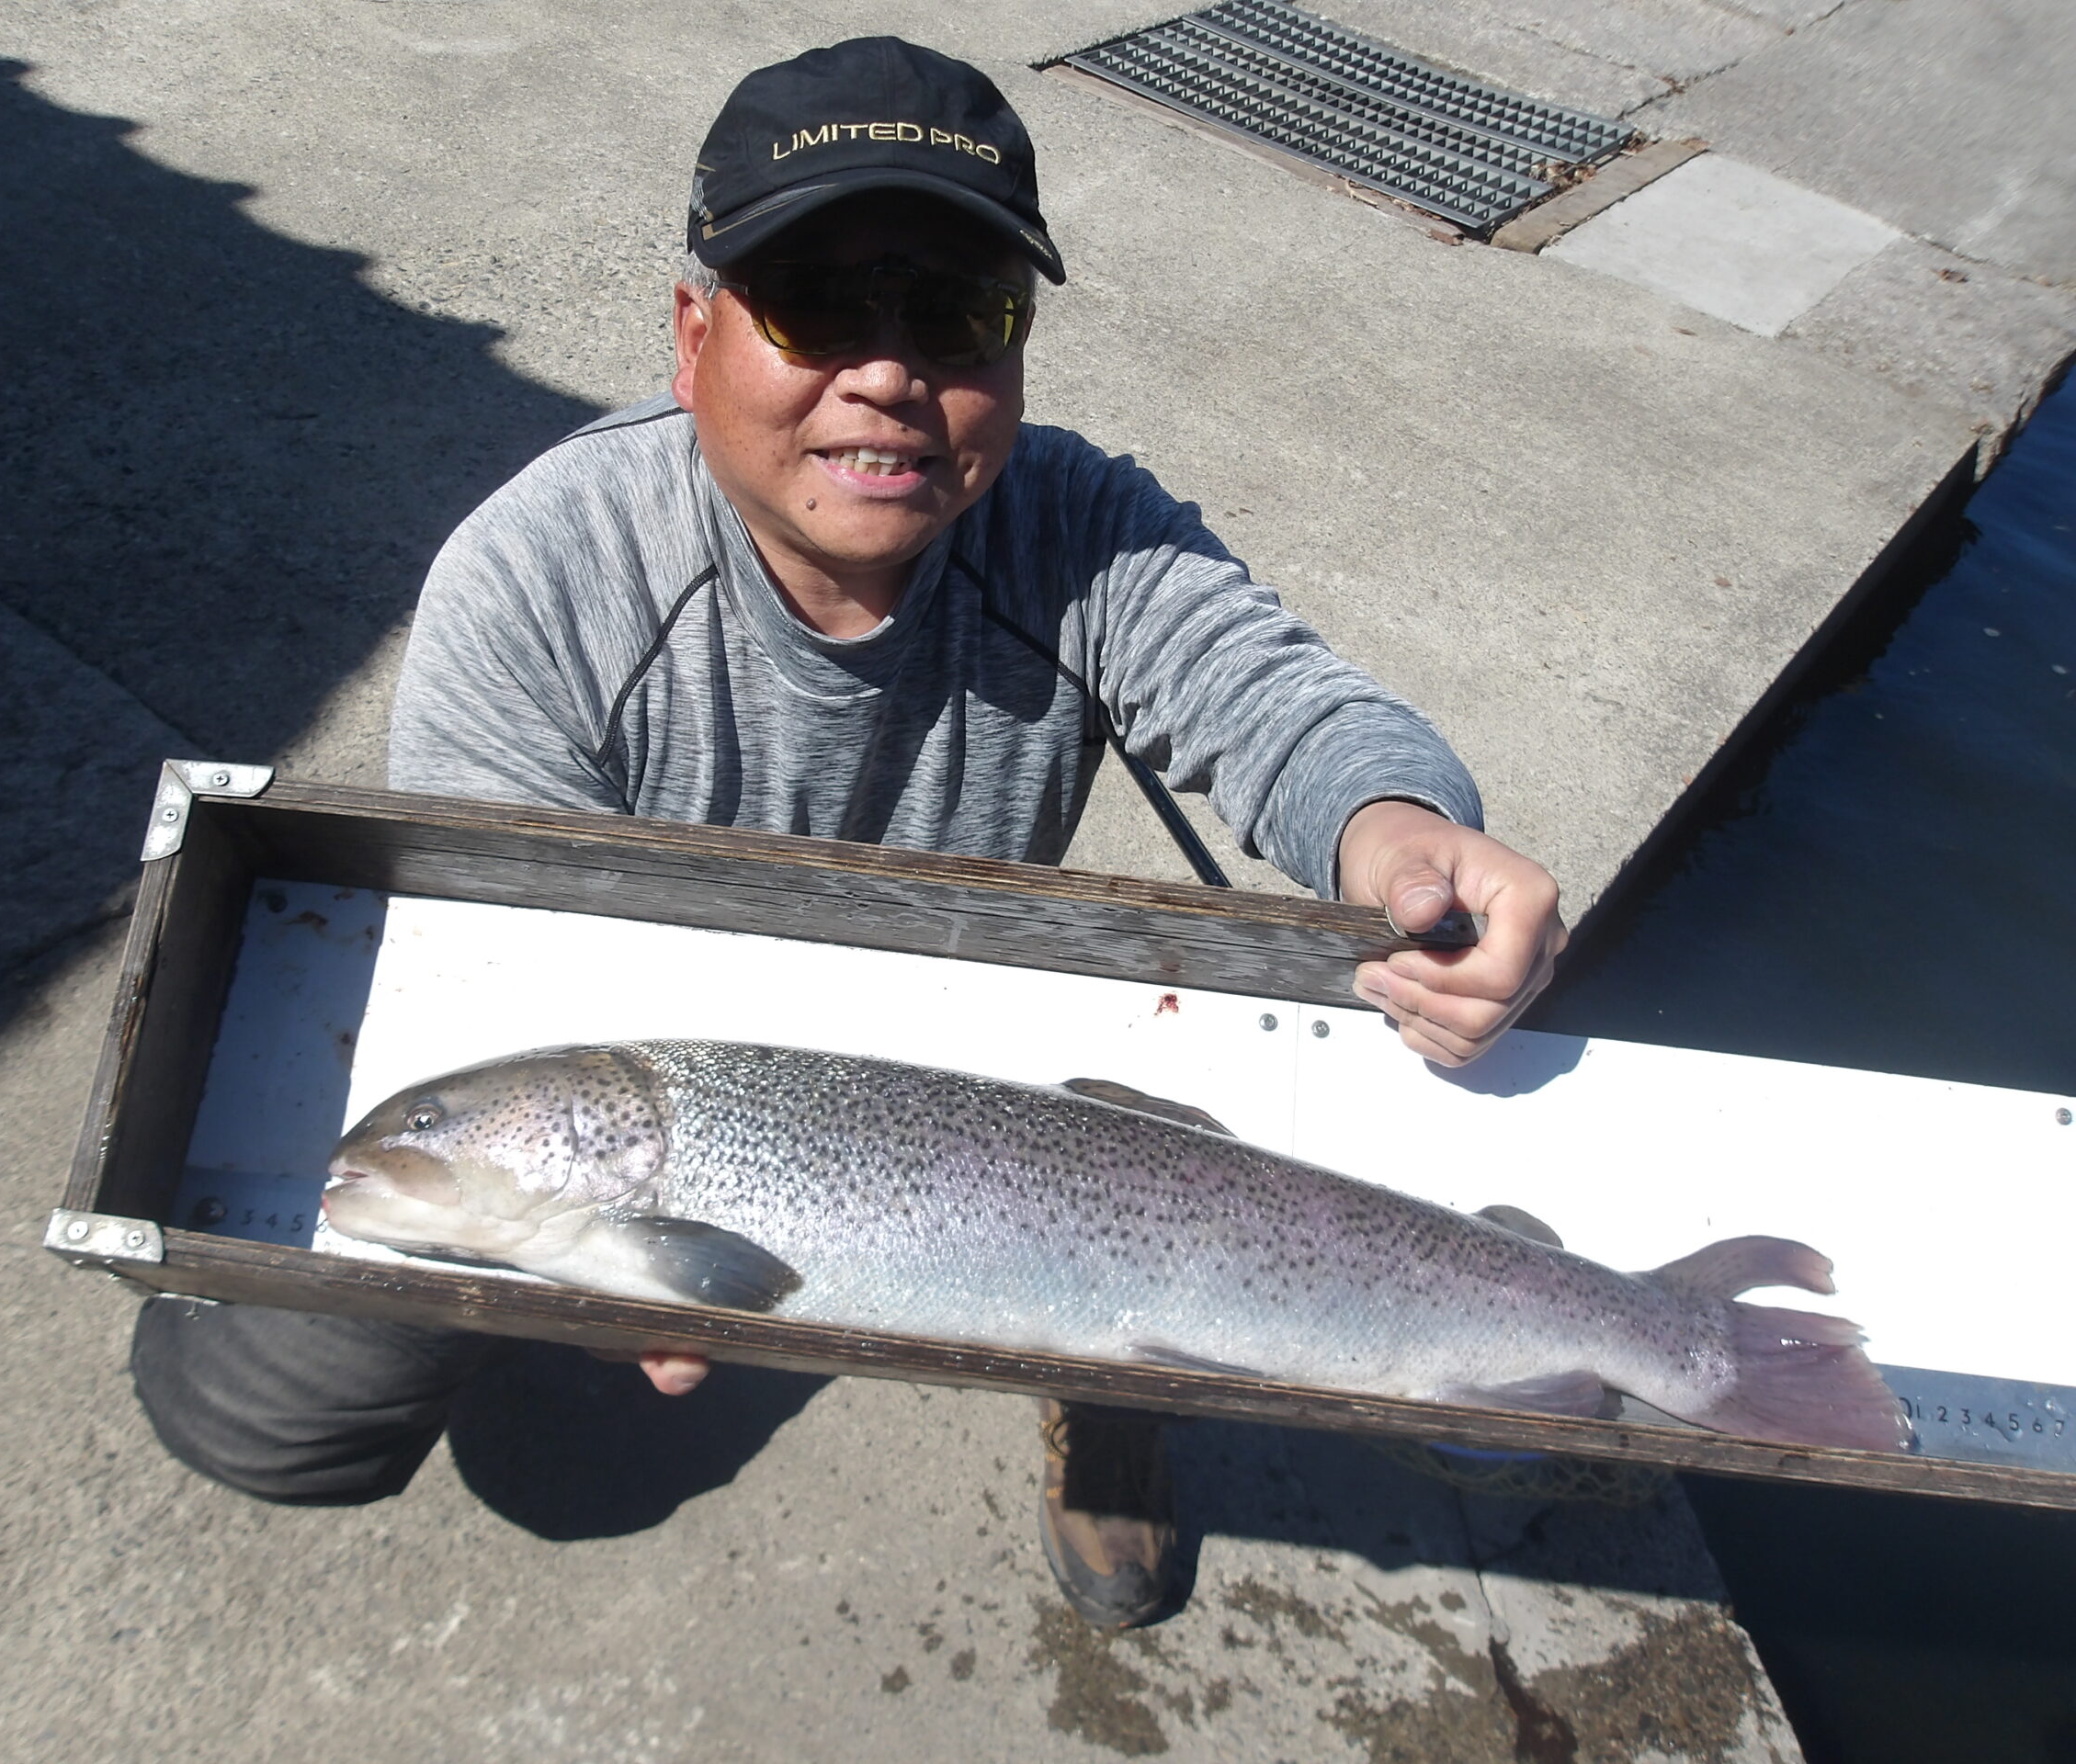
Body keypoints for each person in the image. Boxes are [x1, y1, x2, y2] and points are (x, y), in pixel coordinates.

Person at [131, 36, 1566, 1632]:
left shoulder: (1079, 526)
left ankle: (1111, 1364)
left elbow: (1274, 696)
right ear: (694, 338)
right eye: (816, 303)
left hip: (1006, 1107)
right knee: (262, 1411)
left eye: (956, 314)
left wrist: (1401, 838)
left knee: (1136, 1236)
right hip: (672, 1101)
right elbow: (516, 984)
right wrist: (590, 1264)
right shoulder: (539, 577)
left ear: (1017, 354)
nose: (887, 374)